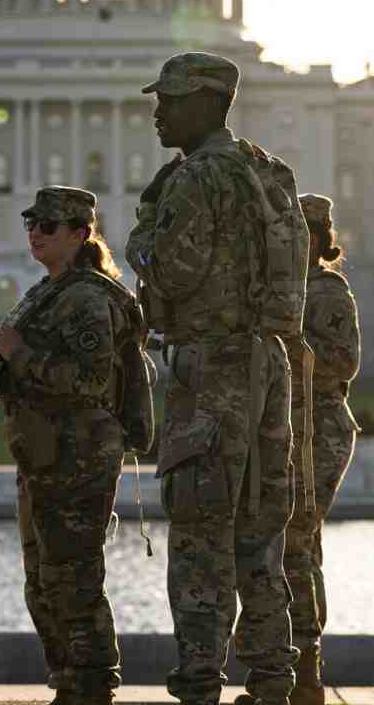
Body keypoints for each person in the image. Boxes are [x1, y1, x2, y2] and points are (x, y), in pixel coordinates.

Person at [125, 52, 297, 705]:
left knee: (200, 531)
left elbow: (174, 272)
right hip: (268, 363)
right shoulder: (268, 172)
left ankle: (199, 679)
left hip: (211, 368)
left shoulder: (196, 178)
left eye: (169, 100)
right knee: (260, 531)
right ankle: (272, 676)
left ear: (205, 102)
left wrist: (142, 234)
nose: (158, 111)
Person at [0, 186, 134, 705]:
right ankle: (67, 680)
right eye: (31, 224)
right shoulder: (50, 291)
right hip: (44, 454)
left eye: (48, 226)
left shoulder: (87, 297)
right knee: (42, 579)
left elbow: (90, 381)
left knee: (73, 576)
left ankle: (92, 683)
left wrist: (19, 353)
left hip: (78, 454)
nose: (35, 234)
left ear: (80, 234)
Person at [282, 195, 361, 705]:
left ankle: (305, 674)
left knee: (297, 545)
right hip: (285, 429)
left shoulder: (326, 292)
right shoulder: (282, 289)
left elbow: (341, 363)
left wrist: (285, 340)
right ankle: (283, 674)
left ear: (312, 238)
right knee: (282, 546)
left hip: (318, 429)